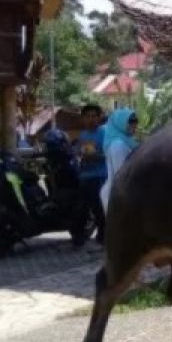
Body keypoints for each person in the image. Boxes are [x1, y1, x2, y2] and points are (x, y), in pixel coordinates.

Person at [76, 104, 107, 243]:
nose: (91, 119)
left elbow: (108, 153)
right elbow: (79, 152)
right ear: (83, 118)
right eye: (88, 116)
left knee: (99, 207)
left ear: (100, 117)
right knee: (85, 206)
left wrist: (97, 156)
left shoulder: (105, 133)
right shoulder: (82, 135)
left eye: (94, 116)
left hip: (100, 175)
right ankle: (80, 234)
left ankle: (103, 235)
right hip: (85, 176)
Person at [99, 108, 139, 214]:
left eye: (136, 121)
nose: (134, 124)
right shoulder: (118, 145)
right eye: (131, 121)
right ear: (120, 123)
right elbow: (121, 175)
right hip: (119, 197)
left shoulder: (127, 142)